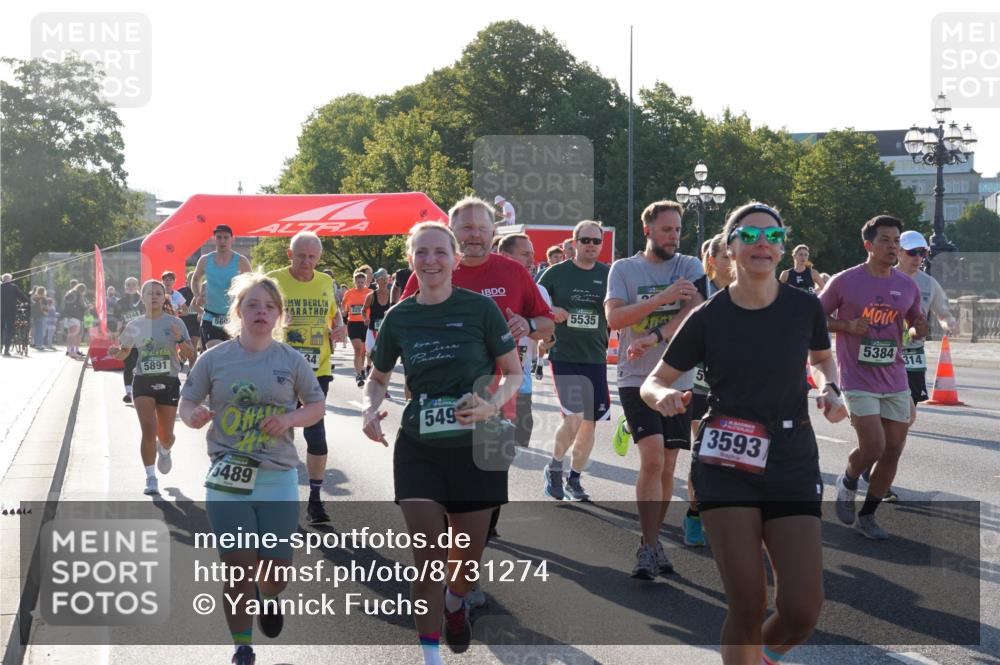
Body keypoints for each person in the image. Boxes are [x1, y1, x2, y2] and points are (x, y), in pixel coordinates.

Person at [640, 201, 847, 665]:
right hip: (727, 462)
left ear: (782, 248)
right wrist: (663, 397)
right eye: (749, 236)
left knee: (802, 610)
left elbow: (821, 359)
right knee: (749, 604)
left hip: (791, 458)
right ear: (729, 248)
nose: (762, 244)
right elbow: (655, 380)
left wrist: (831, 388)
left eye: (773, 237)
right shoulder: (707, 316)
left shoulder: (804, 307)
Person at [362, 221, 522, 663]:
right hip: (421, 448)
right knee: (429, 559)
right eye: (422, 252)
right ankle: (431, 657)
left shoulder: (480, 310)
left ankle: (455, 601)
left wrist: (490, 405)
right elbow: (377, 378)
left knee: (464, 565)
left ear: (454, 259)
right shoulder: (399, 316)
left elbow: (513, 373)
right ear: (410, 259)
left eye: (439, 252)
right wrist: (369, 408)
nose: (430, 260)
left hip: (477, 447)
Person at [401, 197, 554, 609]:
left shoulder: (513, 272)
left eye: (481, 228)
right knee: (441, 498)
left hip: (497, 396)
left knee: (482, 501)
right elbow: (405, 326)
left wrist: (528, 323)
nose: (474, 235)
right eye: (465, 228)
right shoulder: (430, 269)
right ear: (452, 233)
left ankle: (463, 578)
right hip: (436, 405)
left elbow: (546, 323)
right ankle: (453, 583)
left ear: (493, 233)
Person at [179, 272, 324, 665]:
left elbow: (316, 406)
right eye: (253, 305)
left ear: (279, 314)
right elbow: (187, 402)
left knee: (276, 574)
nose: (261, 312)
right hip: (228, 478)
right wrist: (194, 416)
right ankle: (242, 648)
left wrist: (290, 419)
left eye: (269, 306)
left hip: (277, 476)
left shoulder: (290, 360)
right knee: (238, 569)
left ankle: (269, 595)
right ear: (238, 311)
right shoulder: (214, 358)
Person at [605, 199, 704, 579]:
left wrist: (655, 335)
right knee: (652, 459)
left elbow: (695, 313)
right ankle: (647, 547)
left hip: (678, 379)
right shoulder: (624, 269)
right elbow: (615, 318)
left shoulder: (689, 265)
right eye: (666, 230)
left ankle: (654, 538)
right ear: (648, 230)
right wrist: (662, 299)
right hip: (636, 378)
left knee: (668, 464)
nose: (674, 236)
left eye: (677, 229)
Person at [822, 215, 928, 540]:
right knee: (874, 446)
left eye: (896, 241)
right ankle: (848, 480)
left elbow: (915, 325)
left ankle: (868, 515)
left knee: (893, 449)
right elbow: (814, 316)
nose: (893, 246)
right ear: (868, 245)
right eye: (885, 240)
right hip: (857, 378)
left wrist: (919, 328)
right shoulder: (844, 281)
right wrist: (845, 325)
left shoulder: (907, 285)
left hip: (895, 378)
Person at [859, 230, 958, 502]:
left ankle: (876, 470)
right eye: (912, 252)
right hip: (882, 358)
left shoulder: (928, 283)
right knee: (888, 421)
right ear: (898, 252)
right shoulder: (881, 278)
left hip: (912, 359)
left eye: (922, 253)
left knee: (903, 422)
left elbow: (943, 311)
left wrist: (948, 322)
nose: (918, 257)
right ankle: (875, 469)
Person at [267, 231, 346, 524]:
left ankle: (315, 500)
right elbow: (255, 316)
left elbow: (335, 315)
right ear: (290, 254)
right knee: (277, 433)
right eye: (301, 256)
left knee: (316, 433)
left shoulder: (326, 282)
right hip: (279, 369)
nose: (307, 262)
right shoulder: (274, 280)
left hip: (317, 369)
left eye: (312, 257)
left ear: (319, 257)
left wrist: (340, 327)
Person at [537, 220, 611, 501]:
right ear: (574, 242)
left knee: (589, 422)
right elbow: (534, 302)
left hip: (595, 355)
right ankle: (555, 467)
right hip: (564, 354)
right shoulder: (556, 273)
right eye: (585, 240)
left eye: (596, 241)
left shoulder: (608, 274)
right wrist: (552, 309)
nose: (591, 245)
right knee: (575, 415)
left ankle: (575, 479)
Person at [108, 279, 195, 494]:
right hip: (143, 381)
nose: (154, 296)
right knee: (148, 430)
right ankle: (150, 478)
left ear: (164, 297)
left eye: (158, 293)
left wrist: (180, 340)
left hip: (169, 381)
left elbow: (190, 354)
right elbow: (124, 353)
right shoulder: (134, 325)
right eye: (150, 293)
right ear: (142, 297)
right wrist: (115, 353)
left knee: (166, 436)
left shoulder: (176, 323)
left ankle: (164, 449)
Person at [497, 233, 552, 449]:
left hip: (521, 386)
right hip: (485, 384)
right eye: (525, 254)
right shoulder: (487, 288)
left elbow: (548, 334)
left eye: (532, 254)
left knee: (519, 448)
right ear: (504, 256)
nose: (532, 260)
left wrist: (534, 330)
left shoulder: (540, 291)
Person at [191, 224, 252, 349]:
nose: (222, 241)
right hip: (210, 317)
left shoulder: (241, 261)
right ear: (213, 239)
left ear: (232, 239)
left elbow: (252, 285)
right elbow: (195, 279)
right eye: (219, 237)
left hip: (234, 318)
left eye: (225, 237)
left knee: (234, 354)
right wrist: (197, 296)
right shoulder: (205, 260)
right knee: (216, 351)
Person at [114, 278, 145, 404]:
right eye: (128, 284)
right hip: (126, 336)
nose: (130, 286)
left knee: (141, 363)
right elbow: (118, 320)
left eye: (133, 284)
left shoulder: (143, 300)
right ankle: (128, 393)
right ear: (125, 287)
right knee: (128, 364)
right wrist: (116, 335)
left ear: (138, 286)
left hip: (143, 336)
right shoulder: (120, 302)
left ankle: (141, 390)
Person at [342, 270, 372, 387]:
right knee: (358, 350)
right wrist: (344, 311)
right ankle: (359, 375)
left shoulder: (370, 292)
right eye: (358, 282)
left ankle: (362, 369)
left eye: (362, 282)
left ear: (365, 282)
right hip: (353, 324)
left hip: (365, 324)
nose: (360, 284)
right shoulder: (349, 293)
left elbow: (374, 306)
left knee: (363, 352)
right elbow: (343, 305)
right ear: (354, 282)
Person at [364, 268, 392, 369]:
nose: (385, 281)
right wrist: (365, 319)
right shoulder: (371, 296)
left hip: (387, 329)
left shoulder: (392, 294)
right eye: (382, 278)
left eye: (386, 278)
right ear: (377, 281)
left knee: (384, 352)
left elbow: (397, 309)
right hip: (373, 328)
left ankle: (378, 370)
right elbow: (363, 310)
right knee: (370, 350)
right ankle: (368, 366)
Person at [176, 269, 202, 364]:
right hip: (184, 322)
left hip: (196, 323)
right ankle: (181, 361)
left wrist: (201, 312)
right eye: (190, 279)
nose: (193, 282)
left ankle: (192, 369)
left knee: (193, 346)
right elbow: (174, 306)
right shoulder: (180, 292)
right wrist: (180, 311)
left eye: (194, 279)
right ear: (187, 281)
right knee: (184, 348)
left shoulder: (202, 291)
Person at [1, 274, 30, 356]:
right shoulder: (13, 287)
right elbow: (22, 296)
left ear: (3, 280)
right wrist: (28, 302)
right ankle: (6, 349)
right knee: (10, 330)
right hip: (11, 312)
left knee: (1, 329)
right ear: (9, 279)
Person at [62, 283, 87, 359]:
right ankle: (73, 352)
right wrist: (87, 307)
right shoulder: (78, 294)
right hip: (76, 317)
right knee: (74, 336)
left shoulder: (69, 293)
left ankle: (70, 351)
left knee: (70, 335)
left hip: (69, 317)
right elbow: (82, 306)